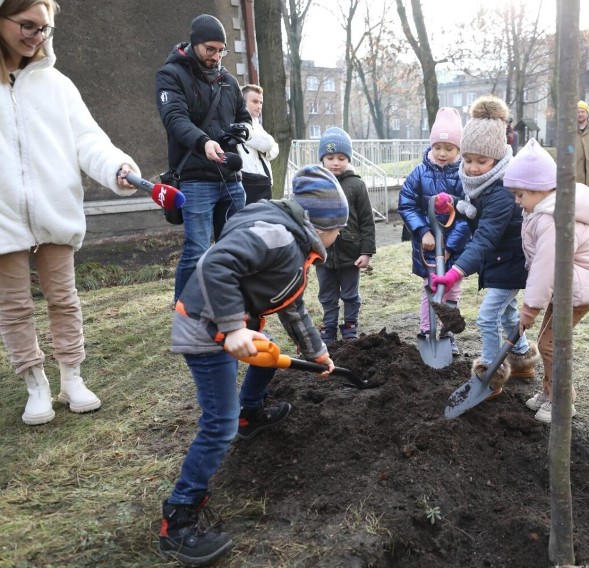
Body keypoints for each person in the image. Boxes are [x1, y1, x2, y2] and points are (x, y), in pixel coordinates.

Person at [158, 165, 349, 566]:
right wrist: (231, 328)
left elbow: (291, 304)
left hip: (230, 325)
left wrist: (317, 353)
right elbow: (216, 264)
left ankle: (252, 414)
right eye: (339, 227)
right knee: (217, 425)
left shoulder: (291, 240)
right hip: (205, 329)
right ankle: (178, 518)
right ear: (320, 224)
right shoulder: (277, 237)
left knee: (272, 356)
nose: (340, 235)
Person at [0, 0, 141, 426]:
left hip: (54, 212)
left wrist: (117, 166)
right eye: (27, 25)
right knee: (14, 307)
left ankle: (71, 377)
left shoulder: (58, 85)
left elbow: (88, 141)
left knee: (64, 300)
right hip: (3, 217)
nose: (36, 36)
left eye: (44, 29)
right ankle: (35, 384)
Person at [430, 95, 538, 396]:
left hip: (512, 260)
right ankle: (523, 360)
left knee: (487, 315)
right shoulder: (483, 184)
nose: (473, 167)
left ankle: (492, 372)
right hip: (502, 259)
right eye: (468, 159)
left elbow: (486, 235)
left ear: (498, 158)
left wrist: (457, 271)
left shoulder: (503, 191)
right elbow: (474, 210)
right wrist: (452, 202)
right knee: (507, 312)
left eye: (482, 161)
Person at [503, 139, 589, 423]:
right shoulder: (539, 211)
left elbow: (544, 266)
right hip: (564, 290)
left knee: (549, 345)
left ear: (539, 190)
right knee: (546, 341)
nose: (516, 201)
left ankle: (561, 401)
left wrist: (529, 309)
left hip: (579, 291)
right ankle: (550, 392)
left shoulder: (553, 220)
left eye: (519, 194)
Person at [155, 13, 253, 302]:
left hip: (231, 177)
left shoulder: (229, 81)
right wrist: (204, 142)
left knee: (234, 245)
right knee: (197, 248)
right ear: (195, 44)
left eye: (221, 50)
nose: (216, 56)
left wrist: (242, 132)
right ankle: (184, 305)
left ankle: (227, 301)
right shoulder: (170, 75)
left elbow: (245, 119)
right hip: (195, 178)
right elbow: (174, 118)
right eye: (210, 49)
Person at [398, 107, 471, 354]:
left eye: (449, 148)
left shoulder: (465, 177)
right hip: (427, 248)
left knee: (451, 290)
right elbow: (406, 204)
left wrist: (451, 246)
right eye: (438, 146)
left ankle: (446, 334)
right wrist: (423, 233)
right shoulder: (419, 173)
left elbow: (467, 214)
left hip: (454, 249)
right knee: (430, 289)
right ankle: (426, 331)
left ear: (459, 150)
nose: (442, 153)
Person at [315, 127, 376, 343]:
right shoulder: (315, 185)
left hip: (351, 254)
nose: (336, 162)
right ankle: (329, 328)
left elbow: (367, 221)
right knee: (327, 295)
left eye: (341, 157)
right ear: (322, 158)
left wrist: (367, 251)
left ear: (348, 159)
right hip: (322, 253)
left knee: (350, 294)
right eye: (330, 157)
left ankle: (350, 326)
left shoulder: (357, 185)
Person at [239, 84, 279, 204]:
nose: (259, 106)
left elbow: (275, 149)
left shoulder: (257, 125)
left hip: (263, 182)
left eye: (261, 102)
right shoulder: (239, 124)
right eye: (255, 101)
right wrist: (268, 145)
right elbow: (267, 144)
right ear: (243, 101)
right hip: (248, 182)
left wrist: (267, 147)